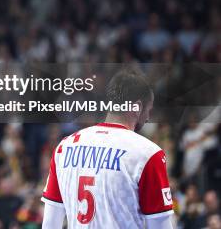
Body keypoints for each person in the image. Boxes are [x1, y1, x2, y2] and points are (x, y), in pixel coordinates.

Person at [41, 67, 174, 228]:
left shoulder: (64, 147)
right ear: (137, 107)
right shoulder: (147, 154)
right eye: (148, 110)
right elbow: (160, 225)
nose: (148, 118)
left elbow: (49, 224)